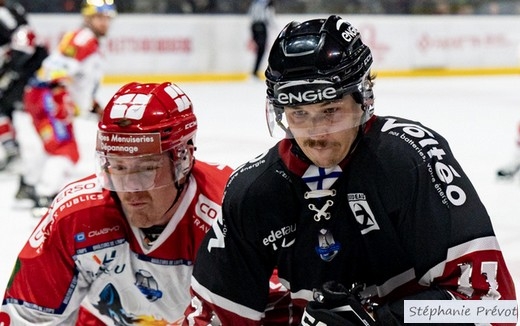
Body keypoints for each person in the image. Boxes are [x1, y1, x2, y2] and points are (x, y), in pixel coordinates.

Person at [185, 15, 517, 325]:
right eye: (299, 114)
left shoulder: (409, 161)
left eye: (330, 111)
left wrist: (380, 320)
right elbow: (212, 316)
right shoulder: (255, 191)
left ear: (363, 99)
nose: (316, 136)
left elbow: (492, 305)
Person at [0, 81, 235, 324]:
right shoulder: (74, 216)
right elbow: (28, 317)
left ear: (183, 159)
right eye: (118, 167)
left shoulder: (230, 213)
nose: (130, 189)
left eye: (147, 169)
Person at [15, 0, 116, 215]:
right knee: (65, 150)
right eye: (100, 18)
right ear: (88, 17)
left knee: (53, 146)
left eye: (108, 18)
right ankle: (44, 195)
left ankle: (28, 184)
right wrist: (60, 99)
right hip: (49, 97)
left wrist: (95, 107)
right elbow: (57, 70)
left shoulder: (90, 42)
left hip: (48, 96)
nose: (105, 23)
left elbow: (81, 84)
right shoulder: (83, 40)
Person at [0, 0, 47, 171]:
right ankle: (11, 146)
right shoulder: (12, 8)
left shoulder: (6, 12)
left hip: (27, 70)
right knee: (5, 107)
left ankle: (12, 148)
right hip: (30, 67)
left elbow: (23, 39)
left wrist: (11, 71)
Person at [248, 0, 274, 79]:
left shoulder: (255, 3)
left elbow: (251, 14)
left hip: (256, 25)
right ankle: (254, 72)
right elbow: (268, 16)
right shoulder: (265, 3)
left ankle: (255, 71)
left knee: (261, 50)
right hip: (260, 26)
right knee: (261, 49)